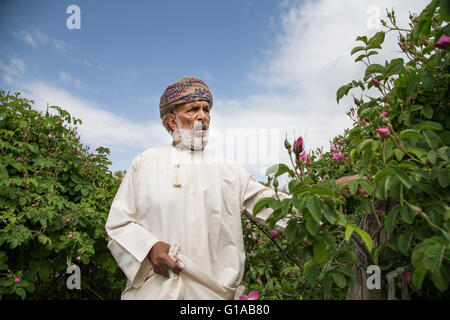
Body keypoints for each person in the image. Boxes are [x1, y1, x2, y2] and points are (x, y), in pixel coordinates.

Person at [105, 76, 362, 300]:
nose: (203, 116)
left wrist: (330, 191)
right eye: (193, 109)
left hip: (215, 294)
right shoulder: (145, 163)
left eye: (206, 109)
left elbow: (274, 205)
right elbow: (118, 224)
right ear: (172, 121)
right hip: (156, 293)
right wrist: (151, 248)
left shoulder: (228, 170)